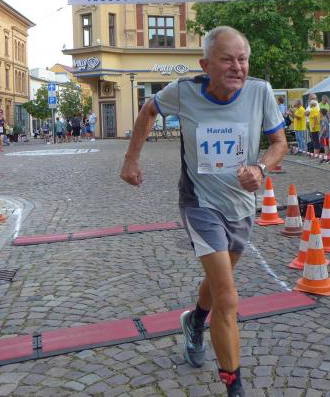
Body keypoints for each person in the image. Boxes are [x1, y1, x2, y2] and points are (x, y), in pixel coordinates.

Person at [119, 26, 286, 397]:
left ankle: (195, 320)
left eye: (242, 59)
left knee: (217, 282)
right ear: (205, 64)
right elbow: (148, 110)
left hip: (241, 205)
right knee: (227, 296)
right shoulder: (184, 91)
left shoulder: (259, 92)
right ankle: (234, 387)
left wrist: (260, 168)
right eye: (227, 60)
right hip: (200, 204)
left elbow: (279, 143)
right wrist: (131, 159)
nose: (237, 67)